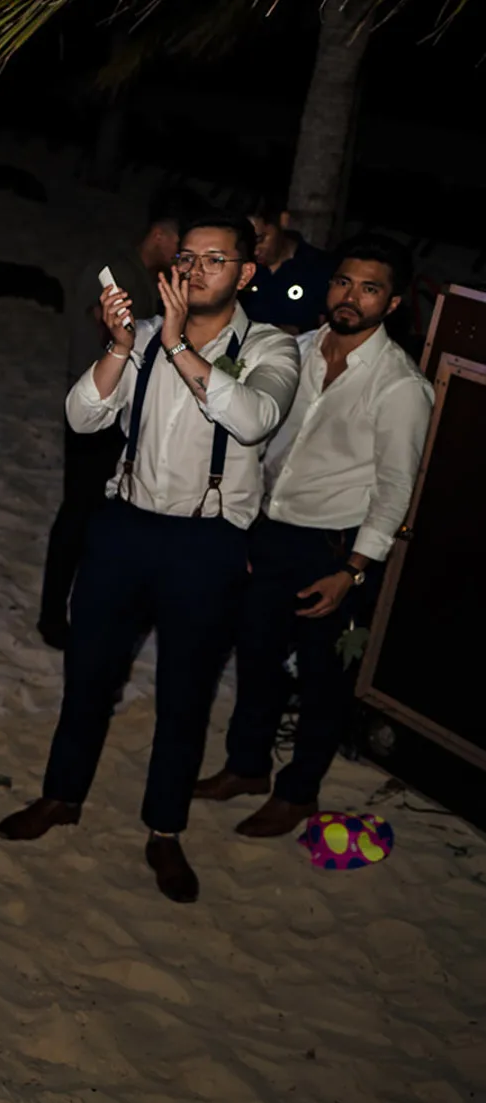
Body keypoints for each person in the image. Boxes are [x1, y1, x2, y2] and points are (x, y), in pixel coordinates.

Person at [0, 215, 302, 903]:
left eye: (214, 260)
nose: (194, 271)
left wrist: (179, 347)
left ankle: (164, 831)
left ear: (246, 274)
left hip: (206, 542)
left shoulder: (271, 346)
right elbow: (82, 417)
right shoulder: (147, 335)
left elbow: (253, 418)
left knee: (184, 698)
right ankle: (61, 796)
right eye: (186, 258)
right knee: (88, 676)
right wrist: (122, 346)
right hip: (124, 528)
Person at [197, 235, 432, 835]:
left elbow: (396, 487)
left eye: (370, 288)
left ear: (394, 303)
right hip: (269, 530)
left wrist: (353, 570)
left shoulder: (399, 385)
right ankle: (247, 767)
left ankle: (299, 792)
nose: (351, 297)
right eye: (344, 283)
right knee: (255, 657)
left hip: (332, 547)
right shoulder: (295, 349)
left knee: (324, 680)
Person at [39, 186, 196, 649]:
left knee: (100, 519)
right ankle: (52, 616)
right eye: (183, 249)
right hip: (95, 410)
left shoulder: (147, 278)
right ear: (162, 235)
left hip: (127, 417)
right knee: (77, 515)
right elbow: (93, 339)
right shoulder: (111, 273)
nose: (186, 260)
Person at [243, 196, 334, 336]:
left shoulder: (320, 267)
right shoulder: (240, 267)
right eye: (248, 243)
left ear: (283, 221)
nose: (255, 250)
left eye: (261, 239)